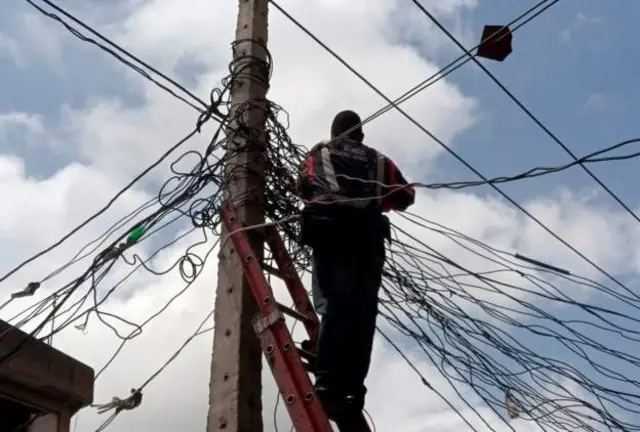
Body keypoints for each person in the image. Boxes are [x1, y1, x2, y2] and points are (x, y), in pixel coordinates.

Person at [296, 110, 415, 422]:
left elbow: (304, 187)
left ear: (335, 131)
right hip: (367, 240)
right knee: (363, 314)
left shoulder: (320, 153)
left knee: (334, 306)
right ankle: (352, 389)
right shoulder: (380, 161)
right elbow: (406, 196)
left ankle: (326, 384)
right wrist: (375, 200)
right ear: (361, 135)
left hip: (331, 233)